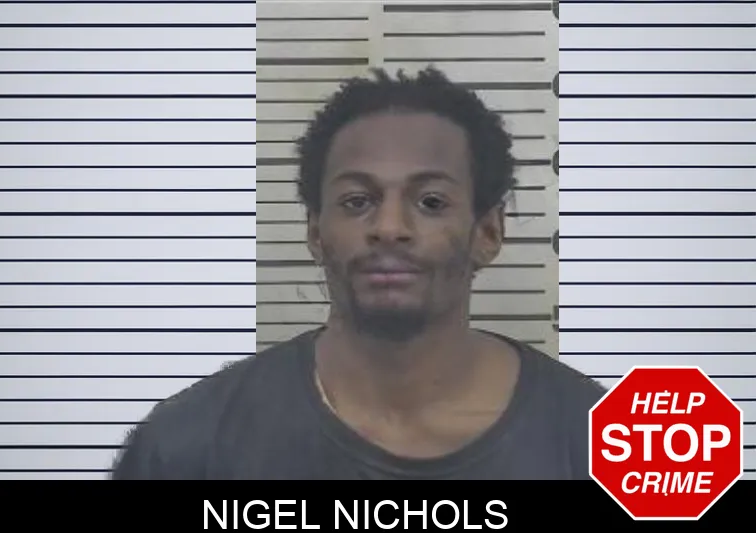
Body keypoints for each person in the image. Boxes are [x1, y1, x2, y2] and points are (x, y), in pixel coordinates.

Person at [110, 67, 606, 480]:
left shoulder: (605, 443)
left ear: (489, 232)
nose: (389, 228)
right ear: (315, 231)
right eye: (357, 201)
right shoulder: (186, 449)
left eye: (431, 201)